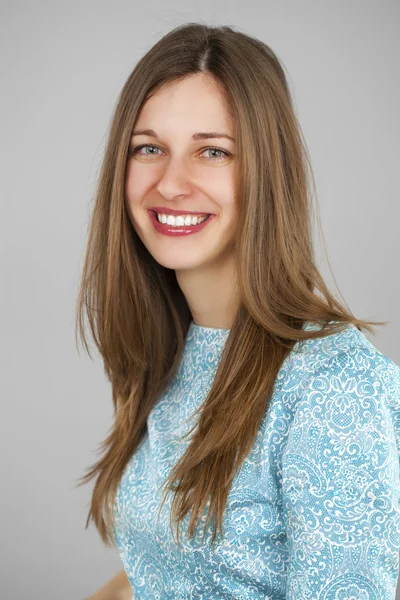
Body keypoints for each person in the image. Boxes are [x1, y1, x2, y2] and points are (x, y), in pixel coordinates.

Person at [76, 22, 400, 600]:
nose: (171, 183)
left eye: (213, 151)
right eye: (149, 148)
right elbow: (163, 574)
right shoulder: (167, 353)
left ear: (266, 175)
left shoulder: (335, 387)